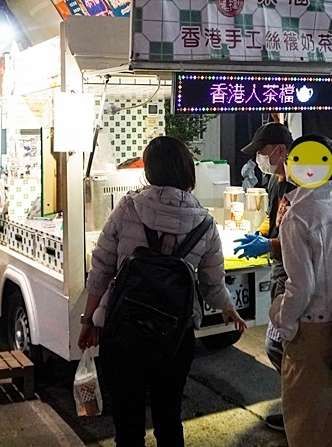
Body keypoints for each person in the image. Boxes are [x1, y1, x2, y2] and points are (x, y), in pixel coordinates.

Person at [78, 136, 247, 447]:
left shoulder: (127, 208)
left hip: (124, 330)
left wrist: (89, 320)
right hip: (174, 336)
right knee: (169, 421)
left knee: (127, 427)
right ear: (188, 174)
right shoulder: (205, 224)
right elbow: (212, 284)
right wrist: (229, 308)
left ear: (150, 172)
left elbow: (101, 268)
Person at [270, 134, 332, 447]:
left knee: (310, 418)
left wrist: (284, 324)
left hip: (314, 329)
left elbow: (301, 286)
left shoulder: (297, 217)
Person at [232, 121, 293, 432]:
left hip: (295, 274)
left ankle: (296, 412)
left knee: (280, 345)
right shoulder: (276, 182)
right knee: (280, 345)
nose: (258, 157)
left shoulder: (301, 184)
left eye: (262, 151)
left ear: (280, 150)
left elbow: (300, 240)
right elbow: (273, 216)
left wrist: (268, 244)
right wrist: (262, 232)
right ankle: (294, 406)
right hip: (278, 266)